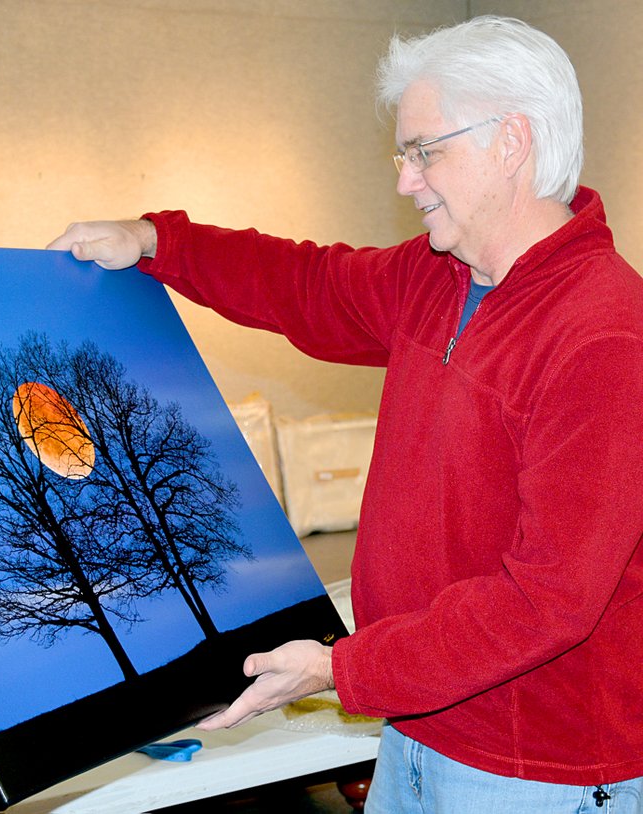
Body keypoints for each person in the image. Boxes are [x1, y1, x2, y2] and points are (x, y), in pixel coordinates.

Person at [47, 15, 643, 813]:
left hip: (536, 770)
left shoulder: (605, 335)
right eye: (405, 153)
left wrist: (343, 669)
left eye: (426, 150)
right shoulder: (439, 276)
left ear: (513, 142)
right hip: (419, 727)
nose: (406, 180)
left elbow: (546, 601)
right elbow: (308, 284)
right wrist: (155, 241)